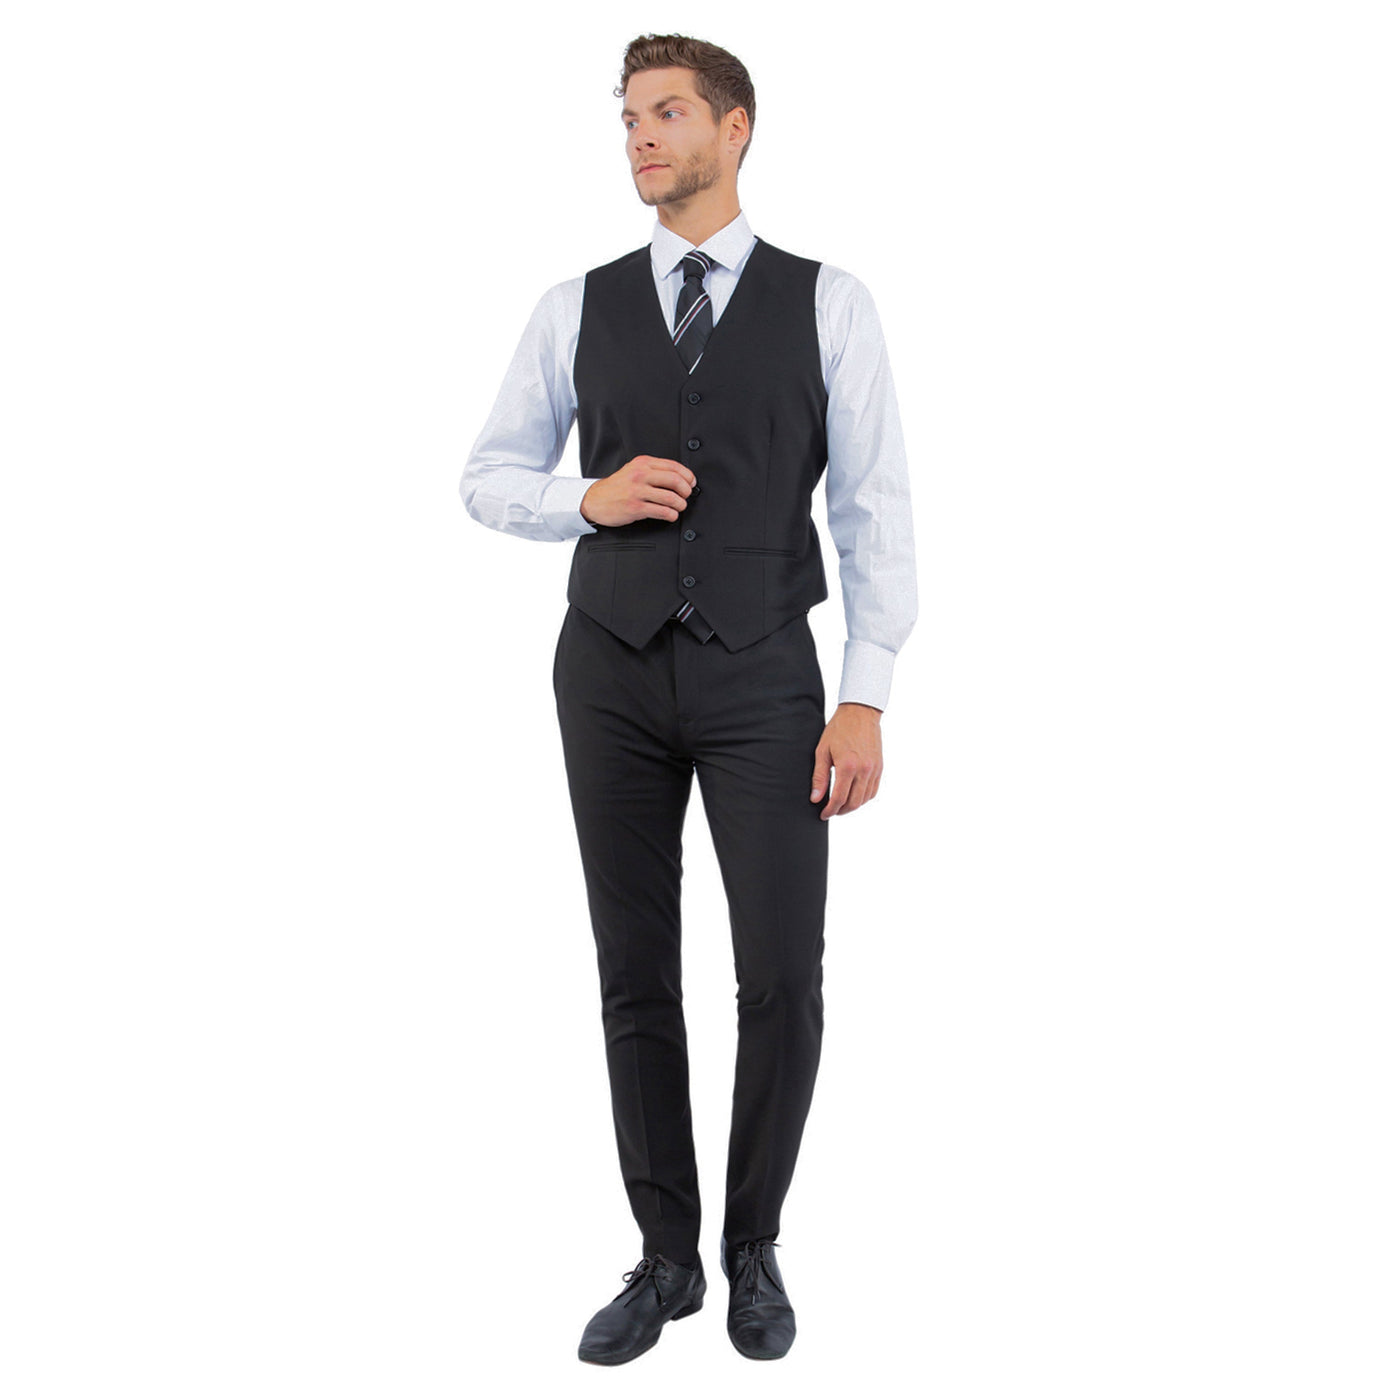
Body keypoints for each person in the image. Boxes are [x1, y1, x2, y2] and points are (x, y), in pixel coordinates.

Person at [458, 33, 917, 1364]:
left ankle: (752, 1243)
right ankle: (665, 1260)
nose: (641, 137)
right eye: (628, 118)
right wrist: (584, 499)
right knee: (634, 971)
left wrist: (867, 693)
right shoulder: (574, 305)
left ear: (736, 127)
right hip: (606, 671)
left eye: (666, 113)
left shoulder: (832, 302)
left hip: (766, 670)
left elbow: (875, 503)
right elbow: (487, 475)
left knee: (781, 974)